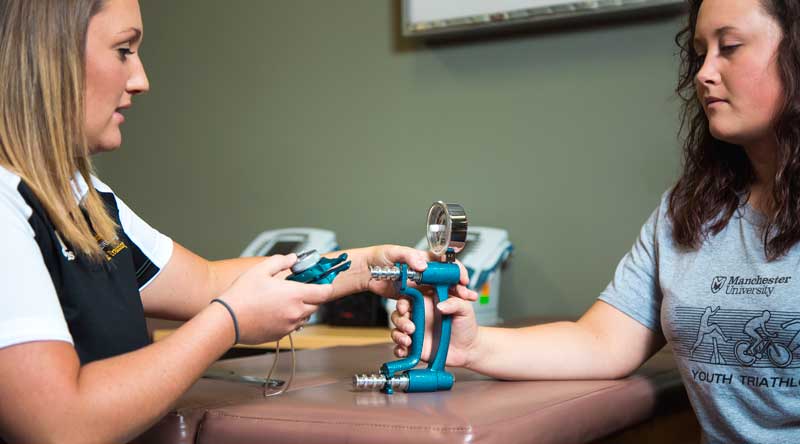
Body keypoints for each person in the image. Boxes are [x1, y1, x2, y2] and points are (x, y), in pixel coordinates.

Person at [0, 1, 474, 443]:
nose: (141, 79)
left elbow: (206, 281)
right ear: (50, 55)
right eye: (124, 51)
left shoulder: (83, 199)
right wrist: (228, 323)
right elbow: (59, 422)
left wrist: (367, 267)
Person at [392, 0, 800, 441]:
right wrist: (471, 345)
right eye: (701, 53)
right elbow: (602, 342)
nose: (704, 73)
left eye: (731, 46)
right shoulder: (689, 209)